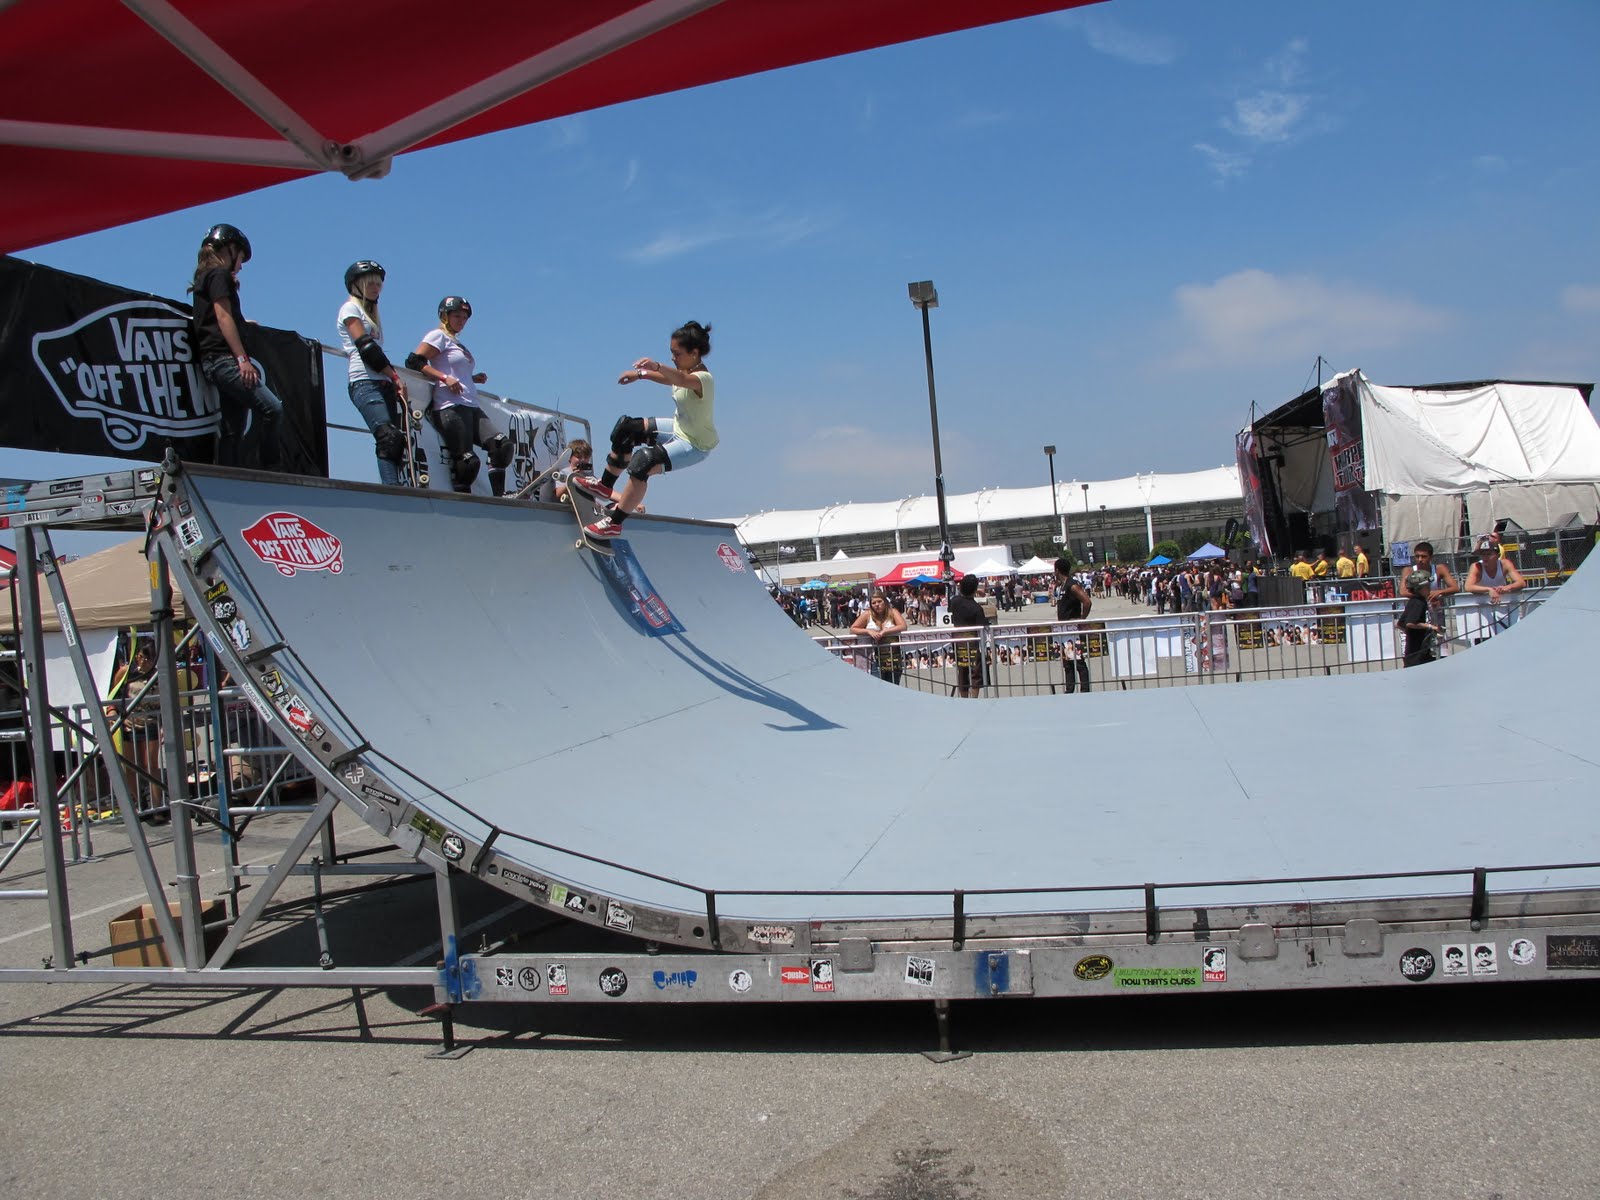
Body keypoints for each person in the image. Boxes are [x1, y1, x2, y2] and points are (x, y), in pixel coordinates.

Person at [573, 320, 717, 539]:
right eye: (671, 353)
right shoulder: (685, 368)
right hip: (679, 428)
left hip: (694, 444)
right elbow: (671, 379)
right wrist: (640, 375)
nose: (672, 358)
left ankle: (614, 523)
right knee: (627, 428)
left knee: (643, 462)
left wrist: (656, 366)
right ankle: (604, 486)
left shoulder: (701, 378)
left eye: (677, 354)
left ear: (694, 353)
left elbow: (680, 379)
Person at [187, 223, 284, 470]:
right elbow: (222, 317)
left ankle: (228, 476)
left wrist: (243, 322)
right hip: (224, 360)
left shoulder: (205, 276)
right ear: (230, 250)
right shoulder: (219, 275)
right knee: (272, 409)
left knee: (233, 428)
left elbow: (216, 315)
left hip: (211, 359)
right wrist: (242, 359)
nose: (240, 266)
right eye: (241, 259)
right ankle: (272, 469)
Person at [405, 296, 513, 495]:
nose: (461, 321)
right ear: (445, 316)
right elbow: (414, 361)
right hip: (449, 405)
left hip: (470, 404)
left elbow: (456, 372)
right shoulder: (438, 336)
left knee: (500, 445)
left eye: (465, 317)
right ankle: (462, 499)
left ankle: (500, 497)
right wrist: (444, 378)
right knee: (467, 461)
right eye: (457, 316)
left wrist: (472, 378)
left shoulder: (456, 342)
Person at [337, 260, 410, 487]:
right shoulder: (350, 308)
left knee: (397, 441)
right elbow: (366, 347)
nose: (376, 288)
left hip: (382, 382)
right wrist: (395, 375)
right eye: (370, 283)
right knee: (388, 437)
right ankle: (391, 492)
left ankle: (394, 486)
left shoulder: (372, 315)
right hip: (364, 381)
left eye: (378, 284)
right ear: (356, 285)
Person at [1464, 535, 1526, 635]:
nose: (1485, 557)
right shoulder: (1476, 566)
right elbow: (1468, 586)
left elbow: (1521, 582)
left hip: (1503, 608)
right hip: (1482, 612)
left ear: (1497, 555)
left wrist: (1507, 587)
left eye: (1489, 554)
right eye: (1483, 554)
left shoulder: (1505, 564)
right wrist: (1489, 589)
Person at [850, 590, 909, 686]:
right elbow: (853, 629)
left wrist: (885, 631)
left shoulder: (893, 612)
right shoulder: (867, 614)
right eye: (874, 603)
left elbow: (903, 626)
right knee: (877, 686)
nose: (877, 605)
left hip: (893, 658)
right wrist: (868, 631)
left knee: (893, 686)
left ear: (885, 601)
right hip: (874, 658)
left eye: (879, 601)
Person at [1054, 556, 1093, 694]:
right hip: (1064, 630)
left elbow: (1087, 602)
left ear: (1057, 570)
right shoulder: (1061, 586)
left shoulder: (1072, 585)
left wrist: (1081, 620)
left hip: (1073, 629)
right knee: (1067, 662)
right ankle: (1069, 690)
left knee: (1079, 661)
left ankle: (1085, 690)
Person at [946, 574, 989, 698]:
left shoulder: (954, 601)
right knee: (975, 672)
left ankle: (964, 699)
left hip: (958, 640)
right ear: (975, 589)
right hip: (973, 641)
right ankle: (974, 700)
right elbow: (983, 625)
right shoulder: (976, 608)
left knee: (962, 671)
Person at [1399, 541, 1459, 611]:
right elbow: (1403, 592)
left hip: (1435, 609)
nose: (1420, 559)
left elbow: (1455, 588)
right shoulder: (1408, 570)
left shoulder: (1439, 569)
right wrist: (1427, 597)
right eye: (1417, 556)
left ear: (1431, 557)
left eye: (1423, 556)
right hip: (1416, 610)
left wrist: (1439, 592)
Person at [1399, 573, 1440, 667]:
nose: (1429, 588)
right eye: (1427, 586)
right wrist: (1430, 626)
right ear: (1419, 588)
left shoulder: (1413, 601)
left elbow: (1400, 624)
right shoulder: (1419, 603)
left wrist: (1412, 633)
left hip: (1417, 649)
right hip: (1417, 653)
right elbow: (1410, 623)